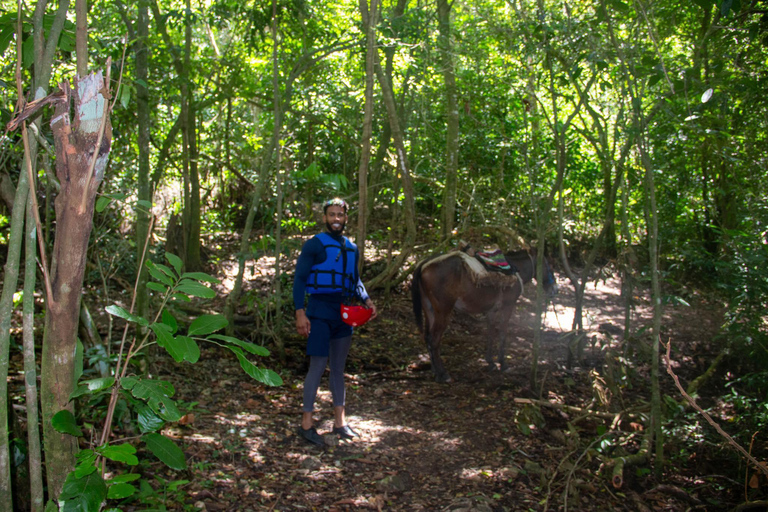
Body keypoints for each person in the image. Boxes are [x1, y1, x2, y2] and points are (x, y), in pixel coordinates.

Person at [293, 198, 377, 446]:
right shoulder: (314, 244)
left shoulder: (352, 247)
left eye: (340, 215)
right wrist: (300, 312)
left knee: (339, 368)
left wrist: (367, 300)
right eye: (332, 215)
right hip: (319, 311)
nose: (336, 219)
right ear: (325, 218)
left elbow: (355, 279)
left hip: (343, 314)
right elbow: (300, 279)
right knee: (317, 366)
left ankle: (340, 423)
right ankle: (306, 425)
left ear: (346, 218)